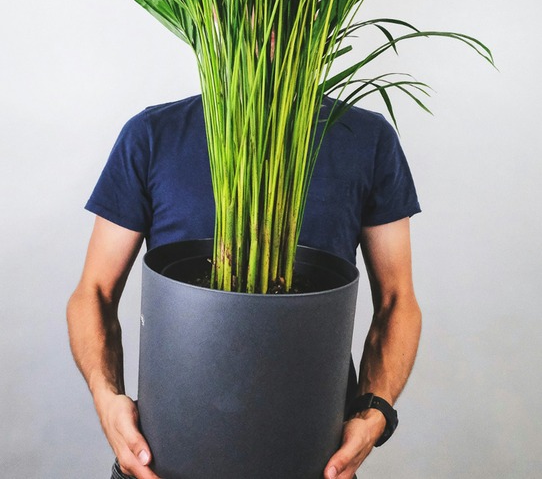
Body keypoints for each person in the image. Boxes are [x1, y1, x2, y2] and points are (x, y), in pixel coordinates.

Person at [67, 94, 422, 479]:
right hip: (165, 458)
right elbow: (94, 292)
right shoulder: (153, 133)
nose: (269, 30)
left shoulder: (368, 138)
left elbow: (396, 300)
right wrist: (107, 400)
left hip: (312, 457)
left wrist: (375, 412)